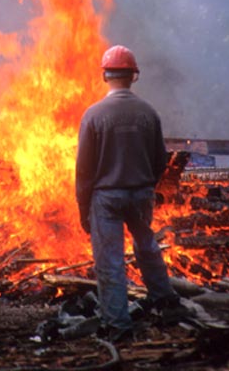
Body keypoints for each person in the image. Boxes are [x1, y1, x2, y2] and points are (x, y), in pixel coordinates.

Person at [75, 44, 181, 344]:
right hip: (141, 195)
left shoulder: (94, 115)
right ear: (134, 76)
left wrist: (84, 209)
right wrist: (147, 187)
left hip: (106, 199)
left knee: (110, 261)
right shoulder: (149, 113)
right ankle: (167, 303)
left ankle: (119, 326)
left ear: (105, 76)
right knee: (147, 247)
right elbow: (161, 160)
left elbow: (84, 171)